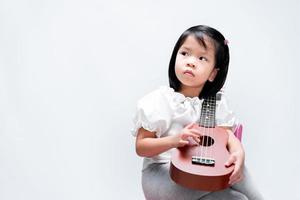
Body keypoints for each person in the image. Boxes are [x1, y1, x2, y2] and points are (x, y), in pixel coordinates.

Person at [131, 25, 263, 200]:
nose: (191, 61)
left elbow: (228, 137)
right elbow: (141, 147)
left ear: (213, 74)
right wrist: (175, 140)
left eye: (202, 58)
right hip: (164, 177)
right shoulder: (159, 101)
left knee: (237, 197)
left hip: (201, 174)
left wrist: (239, 153)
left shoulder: (215, 103)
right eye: (185, 53)